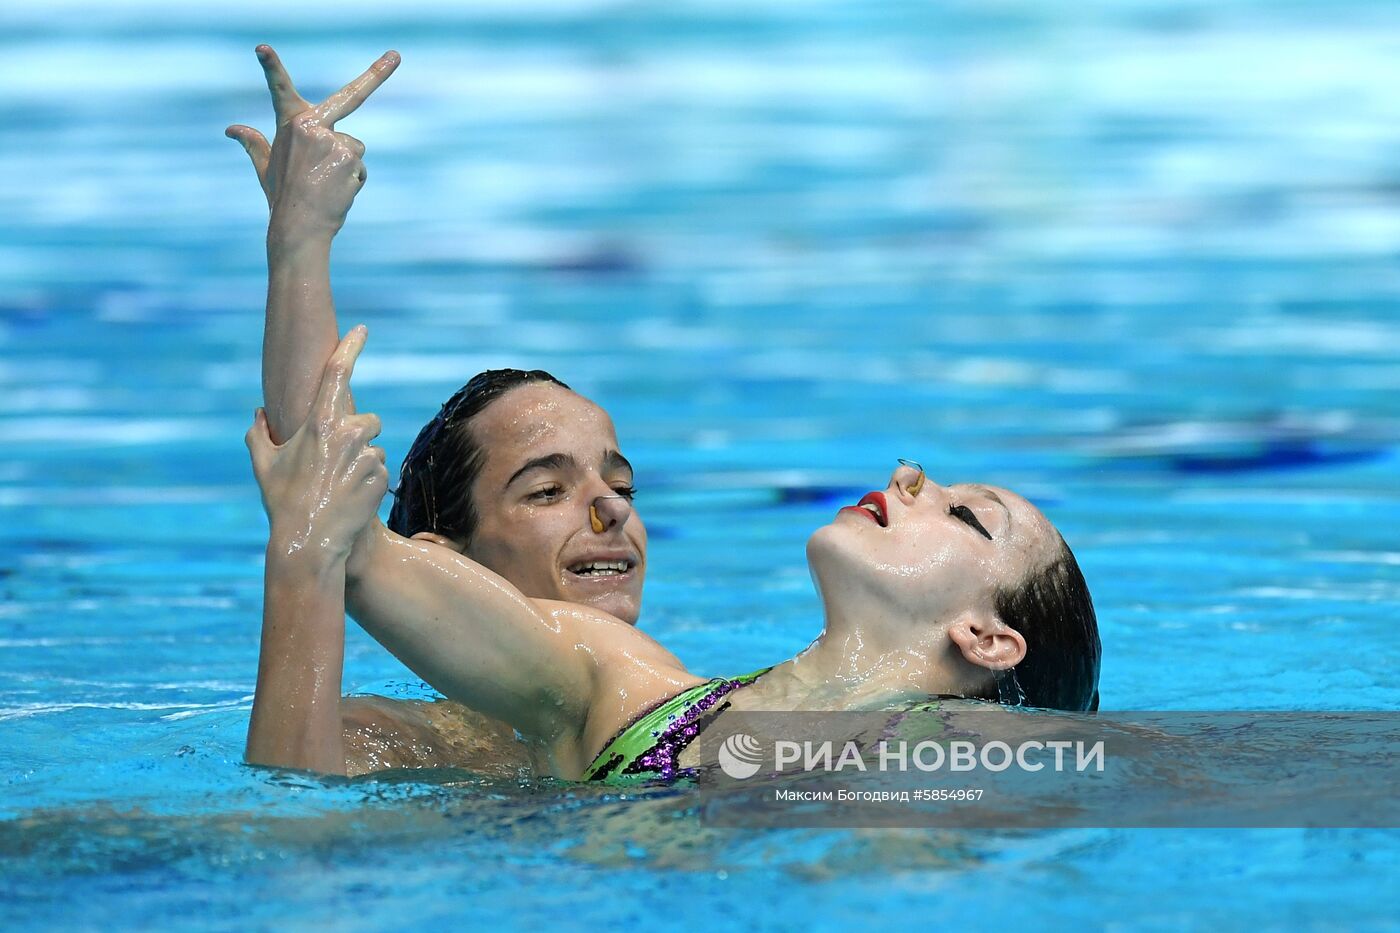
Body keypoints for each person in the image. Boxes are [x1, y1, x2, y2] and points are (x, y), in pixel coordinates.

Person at [247, 327, 1101, 783]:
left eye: (965, 514)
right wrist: (302, 237)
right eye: (545, 490)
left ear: (988, 638)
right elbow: (336, 530)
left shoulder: (984, 753)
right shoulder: (623, 677)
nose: (911, 475)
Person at [227, 47, 646, 776]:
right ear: (441, 559)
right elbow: (288, 807)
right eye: (547, 490)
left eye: (622, 485)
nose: (611, 507)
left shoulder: (681, 698)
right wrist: (300, 242)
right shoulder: (401, 744)